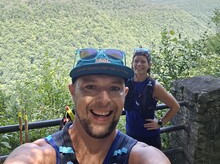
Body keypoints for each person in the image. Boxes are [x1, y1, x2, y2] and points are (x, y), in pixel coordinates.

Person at [4, 48, 170, 164]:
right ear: (73, 92)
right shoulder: (40, 155)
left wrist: (160, 123)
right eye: (90, 87)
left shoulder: (140, 156)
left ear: (124, 93)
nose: (104, 100)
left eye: (114, 88)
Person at [124, 47, 180, 150]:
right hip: (130, 138)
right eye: (136, 61)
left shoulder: (154, 87)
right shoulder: (127, 82)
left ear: (149, 65)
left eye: (143, 62)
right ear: (132, 63)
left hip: (149, 138)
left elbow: (175, 106)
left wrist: (160, 123)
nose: (139, 64)